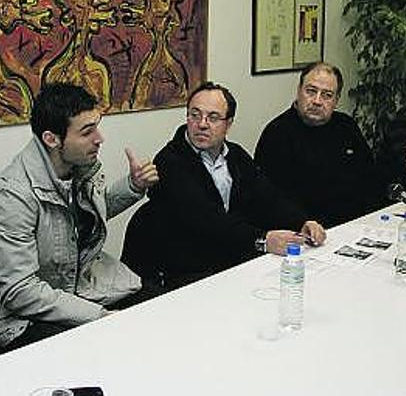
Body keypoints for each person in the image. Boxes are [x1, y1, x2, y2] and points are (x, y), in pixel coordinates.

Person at [0, 83, 158, 350]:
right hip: (23, 317)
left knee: (159, 312)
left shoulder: (78, 166)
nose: (99, 138)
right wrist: (97, 316)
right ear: (52, 139)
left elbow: (82, 221)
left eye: (96, 125)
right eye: (87, 132)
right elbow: (19, 292)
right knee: (110, 349)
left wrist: (133, 186)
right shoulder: (10, 197)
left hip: (79, 288)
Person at [122, 82, 326, 291]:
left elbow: (268, 196)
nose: (202, 124)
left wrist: (301, 221)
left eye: (213, 118)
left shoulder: (235, 155)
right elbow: (207, 219)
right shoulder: (169, 161)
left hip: (229, 261)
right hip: (187, 271)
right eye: (195, 115)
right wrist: (263, 240)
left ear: (228, 124)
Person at [255, 62, 381, 228]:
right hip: (304, 231)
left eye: (327, 95)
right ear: (299, 91)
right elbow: (271, 200)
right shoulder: (277, 134)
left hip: (354, 226)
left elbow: (369, 179)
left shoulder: (347, 126)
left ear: (336, 100)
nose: (317, 101)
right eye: (311, 91)